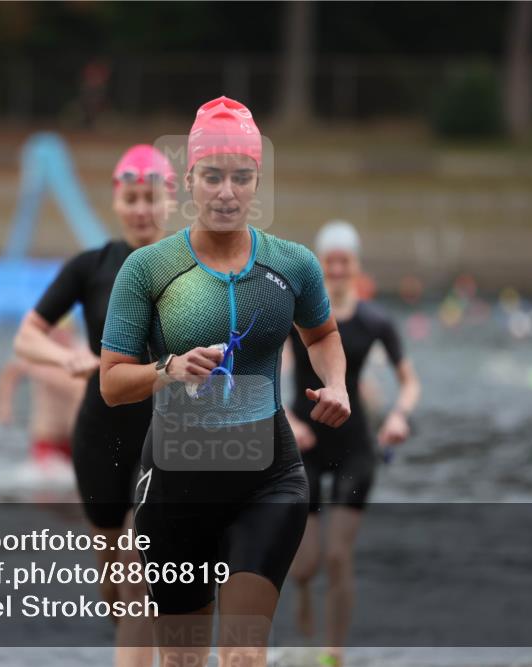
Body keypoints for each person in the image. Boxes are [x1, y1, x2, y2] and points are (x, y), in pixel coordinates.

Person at [100, 96, 351, 667]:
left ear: (256, 180)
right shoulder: (149, 270)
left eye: (241, 177)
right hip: (174, 485)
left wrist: (335, 384)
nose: (226, 192)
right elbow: (112, 384)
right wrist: (168, 369)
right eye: (212, 176)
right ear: (190, 179)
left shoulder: (294, 265)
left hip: (268, 479)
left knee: (242, 654)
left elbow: (322, 335)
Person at [12, 144, 174, 667]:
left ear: (169, 199)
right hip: (99, 433)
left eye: (151, 198)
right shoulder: (90, 267)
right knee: (114, 574)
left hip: (165, 436)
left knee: (139, 571)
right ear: (117, 200)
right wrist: (73, 359)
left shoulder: (193, 267)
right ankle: (132, 642)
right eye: (132, 198)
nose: (142, 208)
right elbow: (27, 338)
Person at [286, 220, 421, 667]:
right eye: (331, 262)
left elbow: (409, 382)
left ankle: (334, 653)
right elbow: (262, 373)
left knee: (339, 555)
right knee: (305, 563)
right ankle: (302, 590)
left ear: (356, 266)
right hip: (304, 445)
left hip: (355, 448)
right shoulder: (296, 318)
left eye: (346, 261)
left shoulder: (375, 321)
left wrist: (400, 414)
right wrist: (286, 418)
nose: (338, 269)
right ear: (319, 266)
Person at [0, 321, 85, 470]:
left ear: (71, 332)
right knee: (45, 486)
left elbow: (81, 388)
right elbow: (9, 374)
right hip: (47, 436)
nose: (59, 337)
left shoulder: (82, 354)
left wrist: (48, 375)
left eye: (63, 333)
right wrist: (3, 406)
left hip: (74, 437)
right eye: (55, 333)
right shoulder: (40, 355)